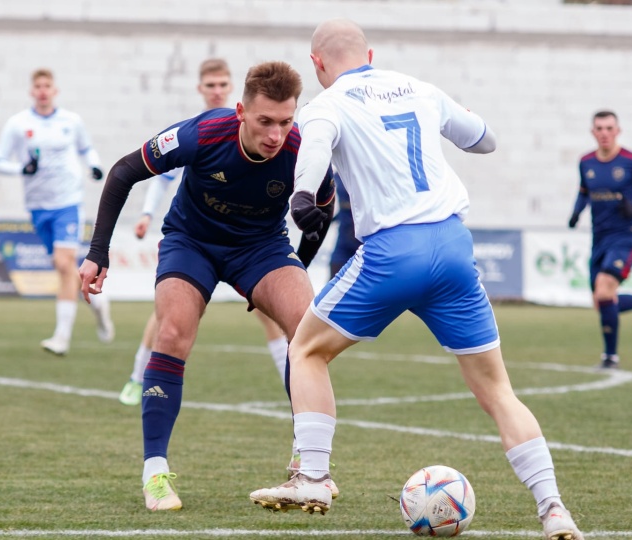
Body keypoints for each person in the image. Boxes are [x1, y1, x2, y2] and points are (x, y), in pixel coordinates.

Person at [248, 19, 585, 540]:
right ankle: (554, 508)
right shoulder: (421, 88)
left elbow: (314, 148)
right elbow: (485, 140)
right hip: (453, 246)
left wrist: (301, 198)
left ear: (317, 65)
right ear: (371, 53)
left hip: (392, 252)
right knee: (498, 390)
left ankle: (313, 477)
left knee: (306, 349)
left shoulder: (328, 104)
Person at [78, 61, 337, 512]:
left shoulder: (304, 148)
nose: (276, 135)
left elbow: (323, 210)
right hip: (190, 242)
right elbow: (123, 171)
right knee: (174, 331)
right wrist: (98, 252)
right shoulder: (203, 133)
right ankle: (155, 472)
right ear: (240, 111)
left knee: (307, 328)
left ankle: (308, 461)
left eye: (285, 122)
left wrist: (299, 267)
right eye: (265, 122)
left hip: (261, 248)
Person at [118, 58, 291, 407]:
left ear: (232, 90)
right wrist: (147, 213)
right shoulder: (198, 130)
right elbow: (161, 175)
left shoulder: (259, 127)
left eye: (222, 85)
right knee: (170, 315)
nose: (216, 91)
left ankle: (295, 390)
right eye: (210, 85)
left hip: (248, 242)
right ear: (200, 89)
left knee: (271, 314)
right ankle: (138, 377)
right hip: (198, 234)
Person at [0, 68, 114, 356]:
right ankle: (97, 303)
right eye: (38, 86)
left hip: (68, 202)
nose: (43, 90)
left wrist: (94, 166)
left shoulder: (71, 122)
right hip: (38, 206)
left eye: (48, 85)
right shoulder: (18, 124)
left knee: (63, 264)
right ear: (31, 91)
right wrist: (21, 169)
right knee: (63, 267)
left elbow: (87, 149)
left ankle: (61, 337)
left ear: (55, 90)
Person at [567, 110, 632, 371]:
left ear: (618, 131)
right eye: (599, 128)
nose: (604, 133)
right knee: (601, 302)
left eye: (609, 128)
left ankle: (610, 357)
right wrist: (576, 213)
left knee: (604, 290)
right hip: (599, 237)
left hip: (626, 235)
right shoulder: (585, 162)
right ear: (593, 132)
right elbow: (583, 193)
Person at [327, 173, 362, 277]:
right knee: (334, 280)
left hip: (365, 240)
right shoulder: (337, 175)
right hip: (344, 239)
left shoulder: (368, 173)